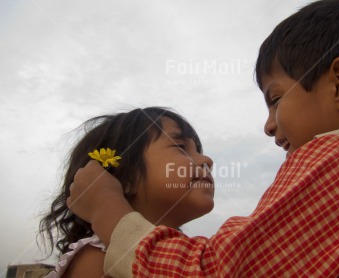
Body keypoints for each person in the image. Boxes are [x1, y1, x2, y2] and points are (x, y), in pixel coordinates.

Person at [67, 0, 339, 277]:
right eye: (179, 146)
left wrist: (109, 211)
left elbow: (217, 271)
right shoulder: (93, 261)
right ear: (119, 175)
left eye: (275, 99)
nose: (269, 125)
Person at [39, 107, 214, 277]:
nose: (207, 160)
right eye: (180, 146)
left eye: (198, 150)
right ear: (125, 177)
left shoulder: (193, 256)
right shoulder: (100, 260)